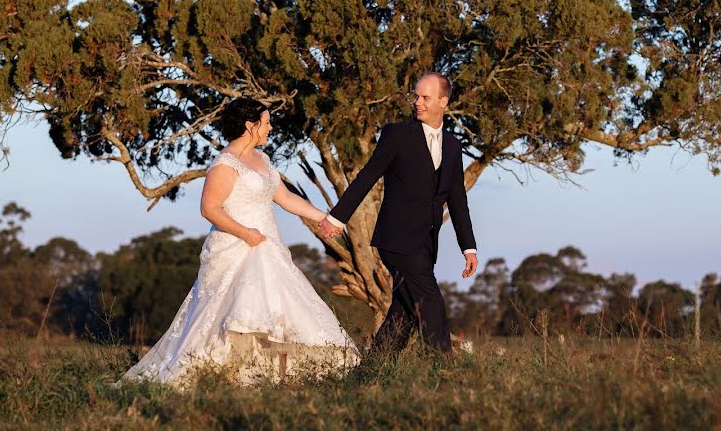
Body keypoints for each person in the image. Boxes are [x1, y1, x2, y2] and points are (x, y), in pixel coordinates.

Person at [120, 98, 358, 386]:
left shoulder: (263, 160)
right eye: (266, 122)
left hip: (267, 245)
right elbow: (210, 208)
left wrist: (325, 217)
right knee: (230, 312)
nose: (270, 127)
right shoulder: (226, 163)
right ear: (250, 125)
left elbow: (285, 198)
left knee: (276, 308)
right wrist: (245, 233)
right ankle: (221, 376)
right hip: (236, 246)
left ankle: (272, 378)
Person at [318, 72, 478, 354]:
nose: (418, 102)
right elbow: (367, 176)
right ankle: (443, 368)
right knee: (430, 298)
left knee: (402, 313)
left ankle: (373, 371)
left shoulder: (453, 146)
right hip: (396, 239)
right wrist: (336, 217)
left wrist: (469, 247)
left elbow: (457, 200)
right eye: (416, 96)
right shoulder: (397, 134)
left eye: (425, 97)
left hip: (426, 243)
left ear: (443, 101)